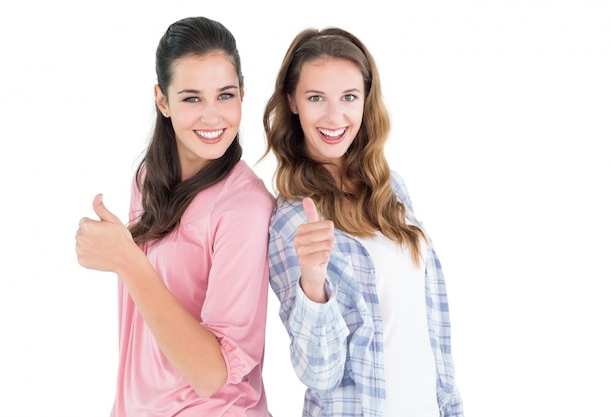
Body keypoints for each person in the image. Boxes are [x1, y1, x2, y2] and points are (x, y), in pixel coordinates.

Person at [75, 16, 274, 417]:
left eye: (225, 95)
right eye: (191, 98)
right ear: (162, 100)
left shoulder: (245, 207)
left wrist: (127, 261)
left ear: (242, 95)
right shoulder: (149, 177)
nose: (213, 116)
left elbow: (211, 376)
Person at [261, 27, 464, 417]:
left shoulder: (389, 189)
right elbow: (319, 374)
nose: (335, 116)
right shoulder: (292, 222)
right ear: (292, 102)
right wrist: (313, 283)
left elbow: (428, 331)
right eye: (316, 97)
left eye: (349, 97)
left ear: (366, 100)